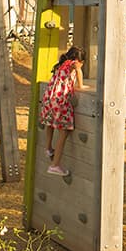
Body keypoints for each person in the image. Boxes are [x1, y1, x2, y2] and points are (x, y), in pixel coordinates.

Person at [40, 46, 86, 175]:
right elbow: (78, 70)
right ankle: (54, 165)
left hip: (49, 98)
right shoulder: (73, 64)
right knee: (64, 132)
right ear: (79, 60)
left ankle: (48, 148)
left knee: (50, 123)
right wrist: (81, 86)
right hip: (60, 100)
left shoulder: (61, 64)